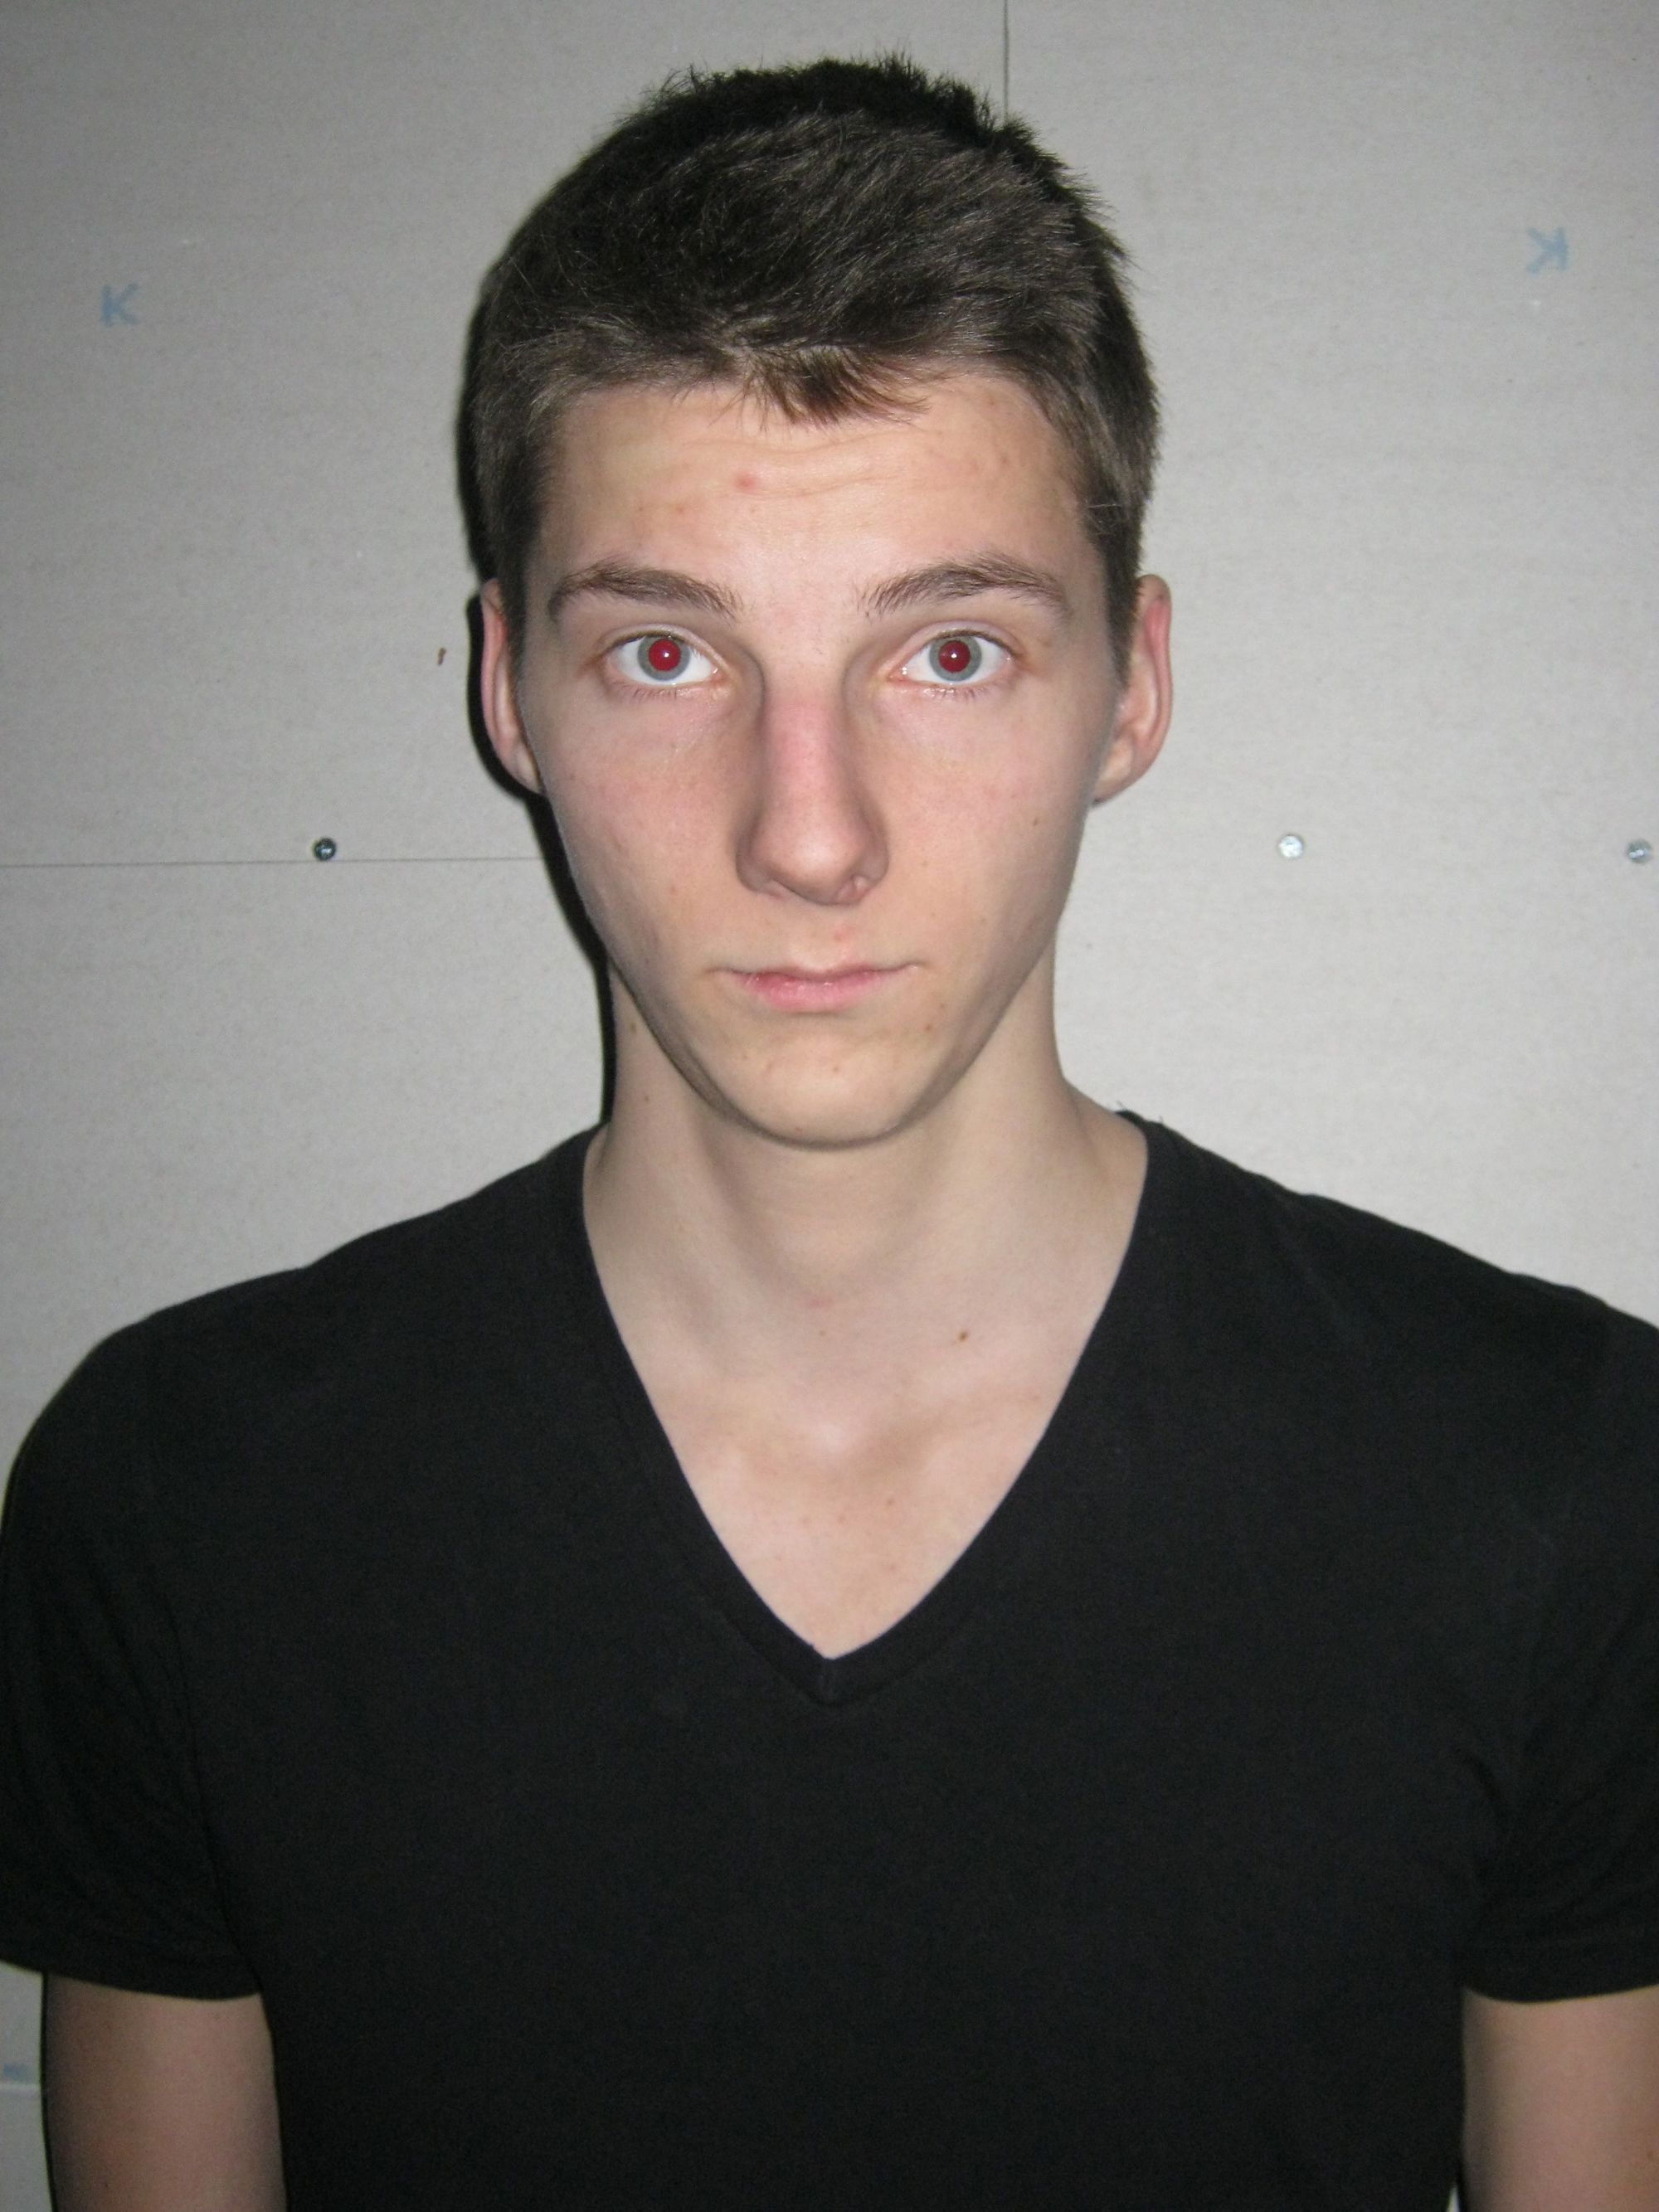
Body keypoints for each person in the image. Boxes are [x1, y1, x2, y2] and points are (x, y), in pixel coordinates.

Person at [2, 54, 1657, 2212]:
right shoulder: (180, 1502)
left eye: (949, 651)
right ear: (506, 688)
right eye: (666, 654)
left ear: (1135, 685)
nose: (810, 834)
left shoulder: (1554, 1484)